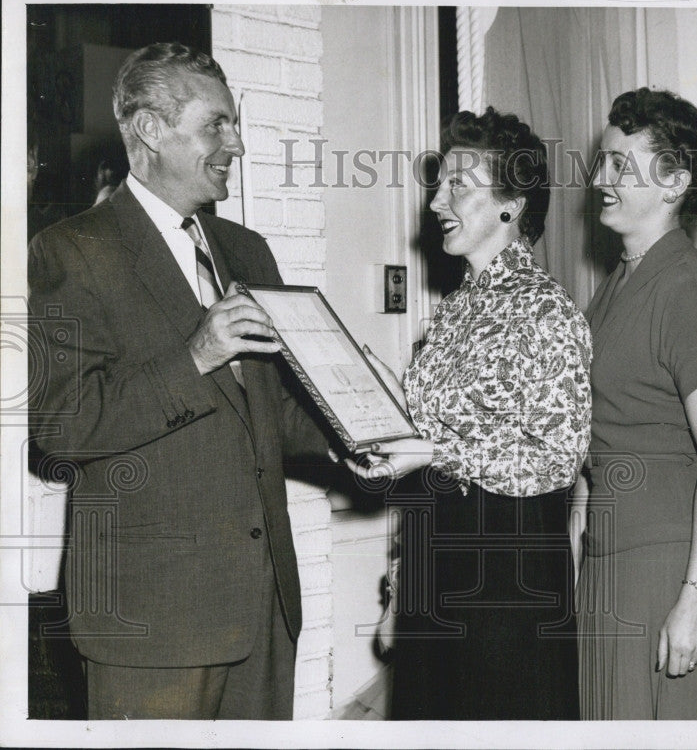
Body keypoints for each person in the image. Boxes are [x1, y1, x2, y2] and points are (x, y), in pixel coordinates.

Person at [28, 42, 332, 720]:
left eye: (236, 124)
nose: (238, 145)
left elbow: (272, 413)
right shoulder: (70, 250)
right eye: (216, 125)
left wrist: (354, 441)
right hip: (151, 623)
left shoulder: (248, 252)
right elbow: (60, 425)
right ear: (149, 130)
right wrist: (194, 355)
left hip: (263, 611)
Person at [346, 107, 592, 720]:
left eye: (458, 184)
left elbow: (557, 458)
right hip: (438, 563)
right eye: (439, 182)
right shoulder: (454, 309)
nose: (436, 201)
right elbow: (428, 440)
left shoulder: (548, 310)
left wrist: (432, 452)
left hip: (507, 580)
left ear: (512, 205)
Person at [574, 88, 697, 720]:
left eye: (621, 165)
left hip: (673, 567)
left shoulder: (690, 291)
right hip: (611, 565)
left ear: (675, 181)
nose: (600, 178)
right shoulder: (619, 284)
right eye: (603, 162)